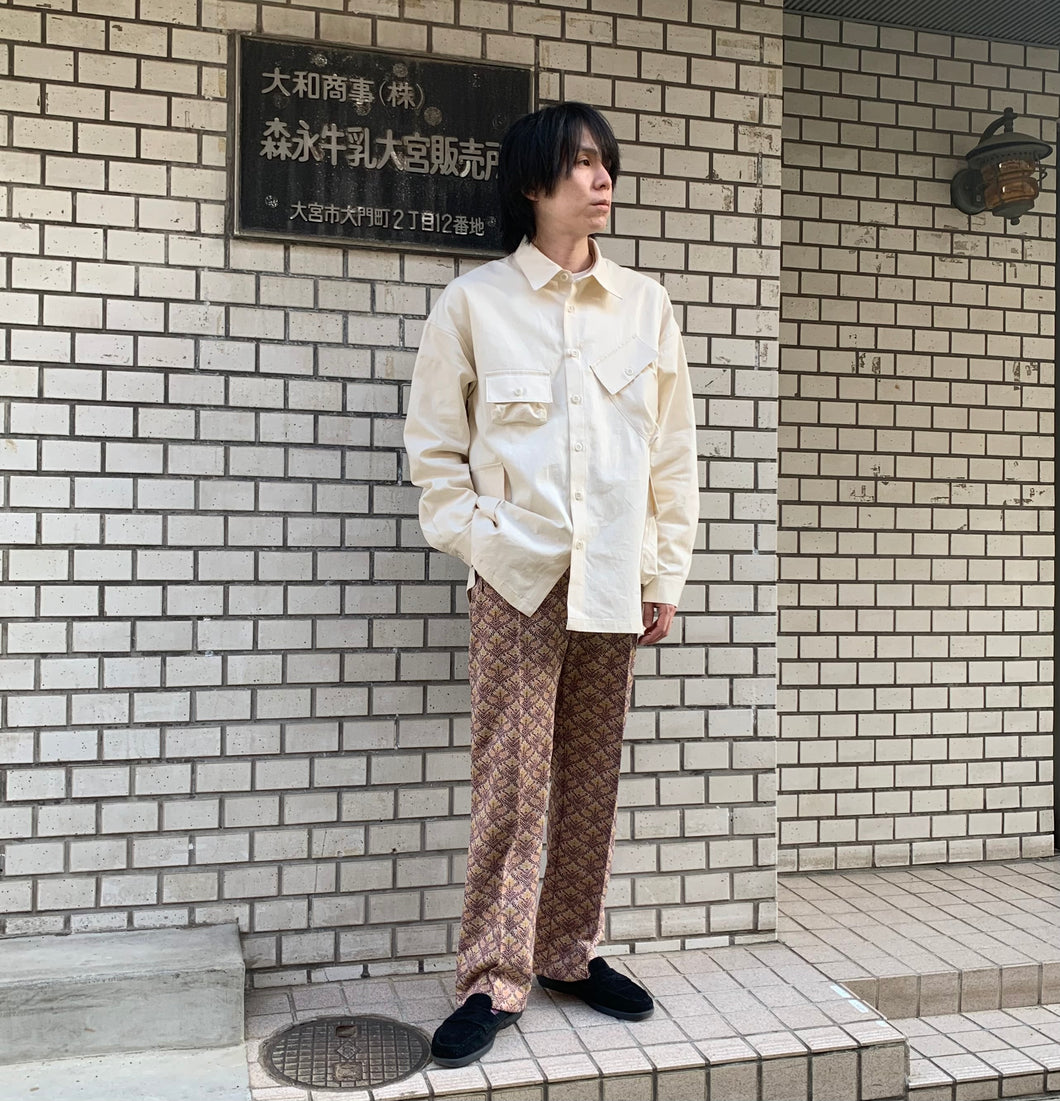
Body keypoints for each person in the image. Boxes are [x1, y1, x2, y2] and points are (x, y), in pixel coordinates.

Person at [403, 101, 699, 1067]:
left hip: (614, 580)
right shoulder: (475, 304)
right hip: (518, 582)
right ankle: (494, 975)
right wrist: (488, 545)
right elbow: (434, 458)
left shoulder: (645, 307)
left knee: (587, 776)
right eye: (580, 163)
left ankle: (569, 951)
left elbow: (671, 457)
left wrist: (662, 571)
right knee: (514, 778)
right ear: (533, 183)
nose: (601, 179)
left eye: (606, 163)